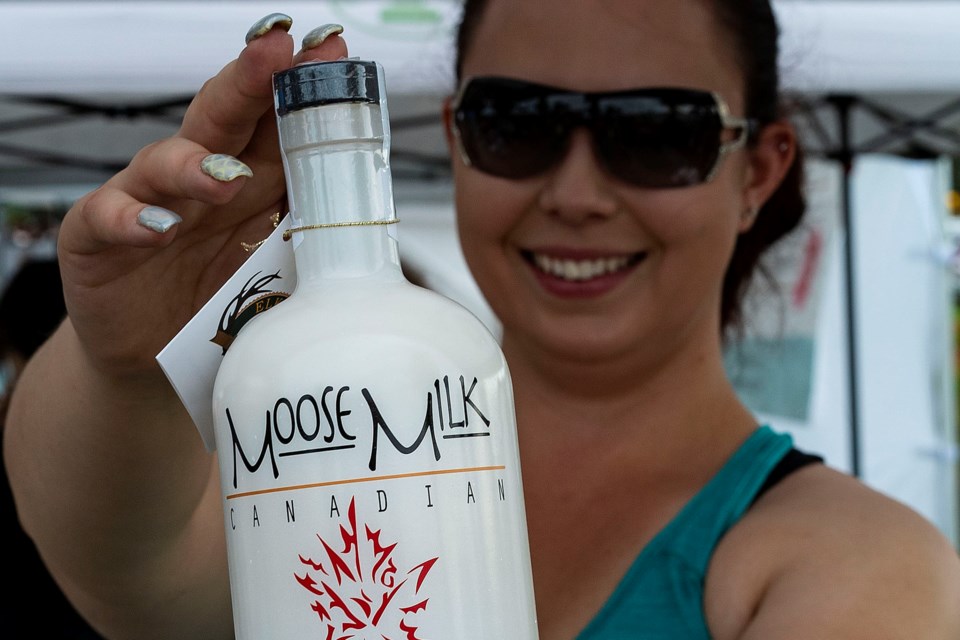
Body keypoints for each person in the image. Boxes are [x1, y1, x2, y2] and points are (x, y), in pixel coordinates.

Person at [4, 1, 960, 638]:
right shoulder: (317, 459)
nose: (577, 193)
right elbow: (121, 572)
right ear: (457, 136)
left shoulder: (862, 567)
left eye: (655, 133)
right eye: (519, 122)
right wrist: (121, 363)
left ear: (757, 171)